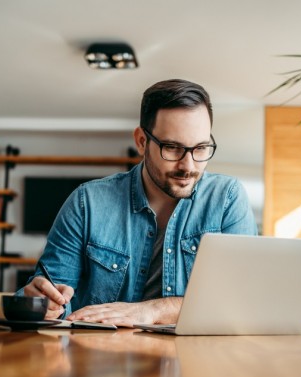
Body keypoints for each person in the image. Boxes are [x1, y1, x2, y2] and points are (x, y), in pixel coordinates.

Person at [20, 79, 258, 327]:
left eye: (200, 148)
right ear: (142, 141)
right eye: (172, 148)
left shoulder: (227, 199)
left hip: (195, 362)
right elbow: (47, 295)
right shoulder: (87, 203)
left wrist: (152, 311)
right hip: (100, 360)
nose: (188, 166)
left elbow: (240, 302)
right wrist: (42, 304)